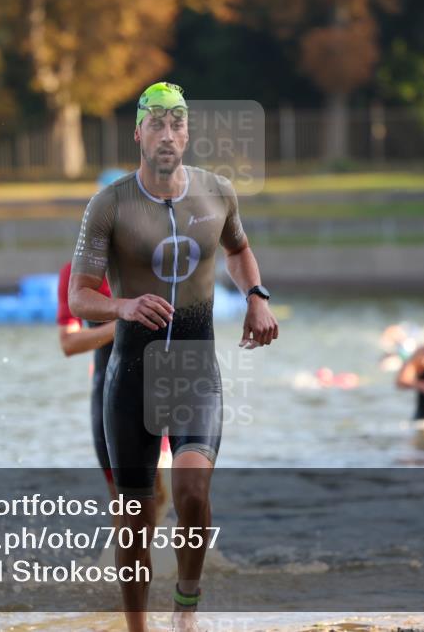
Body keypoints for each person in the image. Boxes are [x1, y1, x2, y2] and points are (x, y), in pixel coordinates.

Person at [68, 82, 278, 632]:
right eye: (156, 123)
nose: (167, 133)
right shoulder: (108, 204)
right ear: (137, 132)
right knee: (135, 517)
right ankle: (137, 627)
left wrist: (256, 297)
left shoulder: (217, 193)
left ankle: (186, 609)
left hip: (193, 371)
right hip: (130, 376)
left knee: (190, 493)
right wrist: (123, 305)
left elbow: (239, 250)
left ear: (188, 133)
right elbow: (79, 296)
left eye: (177, 123)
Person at [57, 260, 174, 506]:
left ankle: (184, 538)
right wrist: (123, 321)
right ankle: (126, 542)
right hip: (108, 390)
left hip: (157, 388)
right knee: (121, 497)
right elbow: (69, 343)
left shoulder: (155, 262)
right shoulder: (75, 272)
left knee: (159, 484)